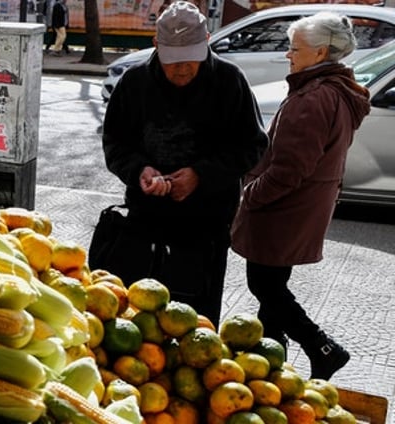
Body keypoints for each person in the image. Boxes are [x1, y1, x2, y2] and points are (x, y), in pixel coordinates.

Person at [100, 1, 268, 325]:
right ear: (156, 46)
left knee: (196, 320)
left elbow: (253, 145)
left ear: (206, 41)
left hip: (206, 224)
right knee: (138, 318)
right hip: (144, 220)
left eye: (190, 59)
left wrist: (201, 176)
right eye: (173, 60)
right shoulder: (134, 83)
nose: (181, 69)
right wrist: (139, 172)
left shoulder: (230, 81)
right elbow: (115, 144)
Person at [230, 12, 370, 380]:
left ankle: (322, 348)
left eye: (295, 49)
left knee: (264, 285)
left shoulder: (313, 98)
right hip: (301, 208)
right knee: (271, 287)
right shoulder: (333, 90)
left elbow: (289, 169)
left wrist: (251, 195)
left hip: (283, 210)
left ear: (321, 52)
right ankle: (271, 363)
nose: (288, 55)